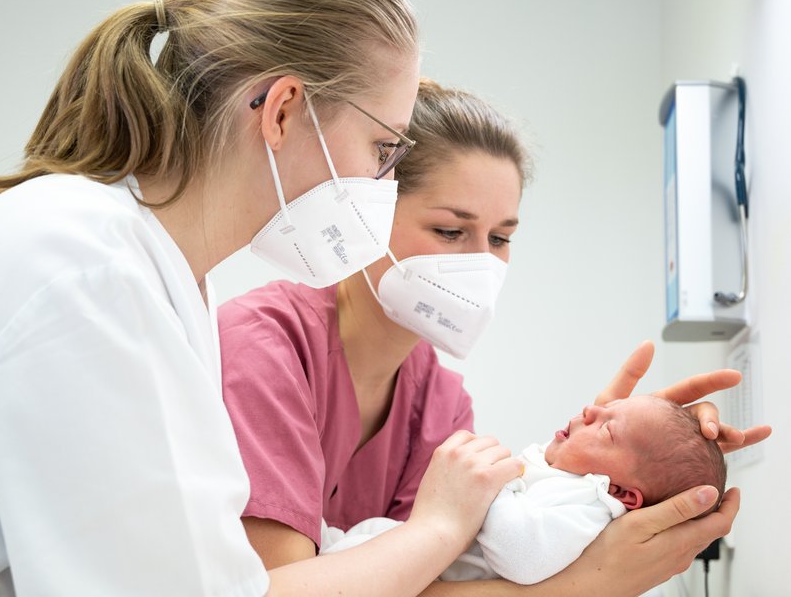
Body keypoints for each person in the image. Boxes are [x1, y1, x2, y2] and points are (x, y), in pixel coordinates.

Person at [0, 0, 534, 596]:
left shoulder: (161, 279)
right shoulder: (82, 258)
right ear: (282, 110)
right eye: (384, 150)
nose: (382, 183)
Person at [218, 79, 770, 595]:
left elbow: (429, 583)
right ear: (367, 213)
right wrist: (582, 584)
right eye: (451, 231)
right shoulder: (264, 348)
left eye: (501, 237)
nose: (481, 262)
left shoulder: (439, 403)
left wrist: (616, 466)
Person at [320, 394, 727, 585]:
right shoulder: (571, 483)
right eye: (604, 406)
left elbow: (523, 557)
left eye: (606, 427)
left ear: (621, 494)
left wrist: (491, 487)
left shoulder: (590, 506)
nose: (589, 410)